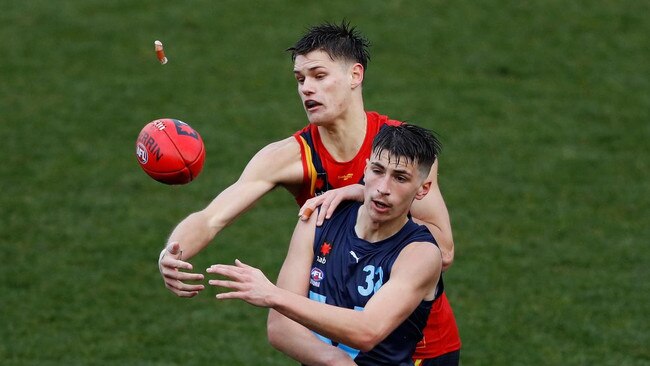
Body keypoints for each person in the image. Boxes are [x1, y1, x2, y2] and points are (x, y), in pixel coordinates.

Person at [158, 21, 460, 364]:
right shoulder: (288, 157)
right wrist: (173, 251)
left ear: (355, 75)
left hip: (416, 346)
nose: (307, 89)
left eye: (319, 75)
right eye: (300, 79)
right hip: (331, 337)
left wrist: (359, 192)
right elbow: (211, 217)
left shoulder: (401, 153)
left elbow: (442, 249)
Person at [208, 124, 445, 365]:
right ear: (365, 169)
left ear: (423, 189)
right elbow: (280, 327)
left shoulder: (420, 254)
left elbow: (367, 331)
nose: (383, 188)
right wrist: (334, 361)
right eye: (377, 170)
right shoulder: (319, 220)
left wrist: (273, 295)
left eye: (400, 178)